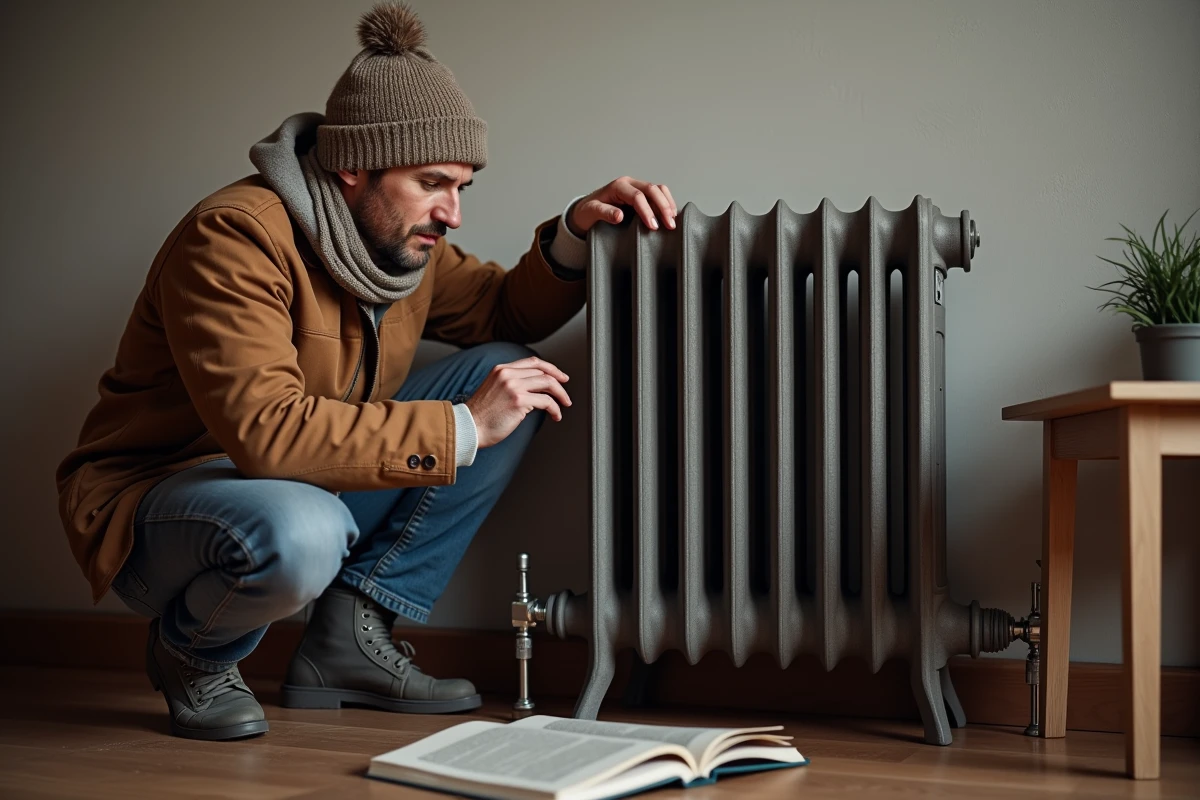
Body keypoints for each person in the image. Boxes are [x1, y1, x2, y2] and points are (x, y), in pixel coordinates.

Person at [54, 1, 676, 741]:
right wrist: (463, 428)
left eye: (463, 188)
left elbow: (501, 315)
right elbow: (265, 434)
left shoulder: (396, 246)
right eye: (432, 182)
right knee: (310, 525)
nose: (453, 213)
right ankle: (191, 650)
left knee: (511, 373)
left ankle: (349, 636)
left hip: (296, 481)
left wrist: (576, 232)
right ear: (354, 166)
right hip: (166, 503)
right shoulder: (234, 238)